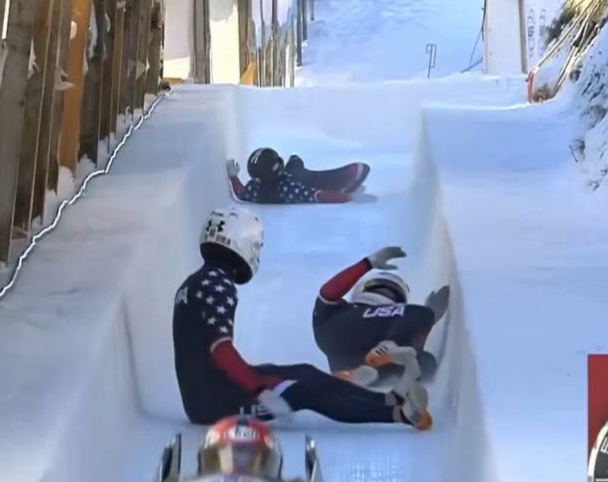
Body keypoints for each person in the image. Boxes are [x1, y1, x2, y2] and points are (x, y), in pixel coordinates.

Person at [173, 207, 431, 430]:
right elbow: (220, 348)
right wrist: (258, 390)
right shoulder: (218, 285)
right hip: (215, 401)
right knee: (305, 391)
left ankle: (388, 399)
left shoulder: (199, 281)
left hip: (206, 392)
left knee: (304, 372)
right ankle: (398, 414)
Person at [311, 247, 450, 387]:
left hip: (339, 343)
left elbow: (327, 294)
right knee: (420, 331)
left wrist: (368, 263)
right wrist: (431, 312)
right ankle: (384, 352)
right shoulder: (402, 313)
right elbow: (328, 293)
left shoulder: (337, 311)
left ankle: (354, 377)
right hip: (374, 338)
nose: (385, 293)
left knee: (424, 361)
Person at [225, 148, 370, 205]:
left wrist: (233, 176)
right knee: (299, 166)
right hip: (300, 177)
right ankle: (341, 181)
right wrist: (349, 197)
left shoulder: (254, 189)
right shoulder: (288, 188)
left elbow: (240, 192)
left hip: (292, 174)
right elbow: (319, 196)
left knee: (295, 162)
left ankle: (295, 162)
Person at [197, 415, 284, 478]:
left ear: (263, 465)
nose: (241, 464)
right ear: (216, 462)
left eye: (251, 462)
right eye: (234, 459)